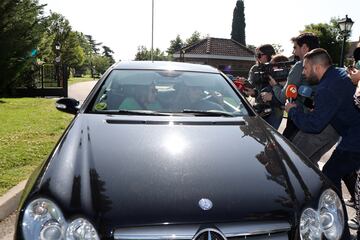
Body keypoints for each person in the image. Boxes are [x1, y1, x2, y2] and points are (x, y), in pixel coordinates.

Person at [285, 48, 360, 239]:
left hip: (355, 139)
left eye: (305, 68)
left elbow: (315, 125)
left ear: (316, 67)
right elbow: (336, 105)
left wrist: (292, 110)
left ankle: (339, 230)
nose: (303, 73)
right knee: (345, 174)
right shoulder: (340, 74)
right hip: (353, 135)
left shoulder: (327, 88)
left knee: (329, 175)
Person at [242, 44, 283, 129]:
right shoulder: (255, 69)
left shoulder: (278, 68)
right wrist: (245, 83)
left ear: (268, 55)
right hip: (259, 106)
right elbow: (251, 85)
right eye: (256, 55)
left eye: (259, 55)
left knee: (271, 135)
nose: (257, 57)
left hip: (275, 109)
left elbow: (281, 89)